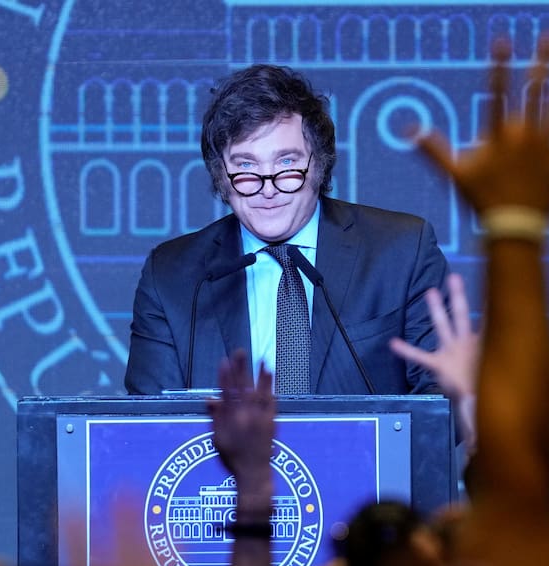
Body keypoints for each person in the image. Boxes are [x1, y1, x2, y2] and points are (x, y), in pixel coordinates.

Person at [124, 63, 450, 398]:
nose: (268, 188)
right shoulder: (170, 277)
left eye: (286, 163)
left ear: (319, 164)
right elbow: (147, 426)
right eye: (246, 166)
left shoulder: (402, 251)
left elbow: (440, 402)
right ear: (220, 176)